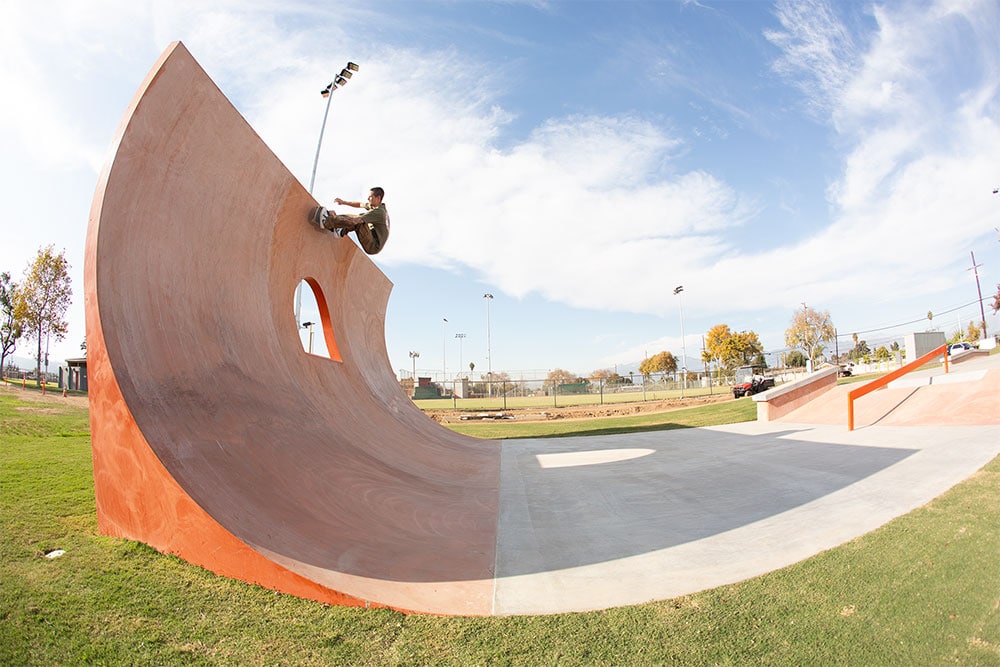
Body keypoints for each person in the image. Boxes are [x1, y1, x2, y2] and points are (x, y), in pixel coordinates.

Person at [309, 187, 390, 255]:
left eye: (370, 197)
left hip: (373, 245)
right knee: (359, 218)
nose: (368, 199)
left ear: (378, 198)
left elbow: (355, 221)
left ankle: (326, 221)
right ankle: (339, 229)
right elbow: (359, 204)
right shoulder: (375, 206)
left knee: (359, 221)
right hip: (371, 237)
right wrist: (344, 202)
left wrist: (334, 218)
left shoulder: (379, 212)